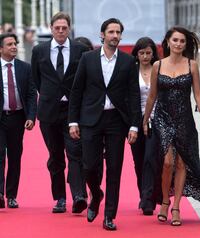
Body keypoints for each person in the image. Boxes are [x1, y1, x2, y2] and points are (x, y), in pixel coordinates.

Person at [143, 26, 200, 226]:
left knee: (181, 164)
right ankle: (164, 200)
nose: (179, 44)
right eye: (175, 40)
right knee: (168, 162)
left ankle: (176, 206)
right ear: (168, 42)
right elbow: (152, 95)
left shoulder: (192, 65)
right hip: (162, 118)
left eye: (182, 41)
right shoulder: (158, 66)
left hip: (184, 120)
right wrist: (145, 120)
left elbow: (197, 94)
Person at [68, 18, 141, 231]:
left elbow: (133, 95)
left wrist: (134, 125)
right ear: (102, 35)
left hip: (117, 121)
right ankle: (96, 194)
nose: (115, 35)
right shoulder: (87, 58)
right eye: (111, 32)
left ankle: (109, 215)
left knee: (114, 169)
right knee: (89, 166)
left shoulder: (128, 62)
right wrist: (73, 121)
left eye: (118, 32)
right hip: (90, 119)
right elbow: (77, 91)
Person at [31, 12, 88, 214]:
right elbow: (36, 79)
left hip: (73, 112)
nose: (61, 31)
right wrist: (48, 95)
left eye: (64, 28)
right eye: (57, 28)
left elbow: (85, 78)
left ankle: (79, 195)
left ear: (69, 28)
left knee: (75, 153)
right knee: (55, 157)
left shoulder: (81, 50)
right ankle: (60, 198)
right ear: (51, 28)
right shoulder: (39, 50)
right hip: (49, 112)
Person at [0, 33, 37, 209]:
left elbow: (31, 94)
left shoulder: (24, 68)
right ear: (1, 49)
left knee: (15, 158)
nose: (14, 46)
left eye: (15, 43)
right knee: (0, 156)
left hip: (17, 118)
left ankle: (12, 195)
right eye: (9, 44)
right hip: (0, 118)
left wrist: (31, 116)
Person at [130, 37, 161, 215]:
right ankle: (143, 193)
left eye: (148, 53)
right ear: (136, 54)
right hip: (136, 120)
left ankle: (148, 199)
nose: (145, 56)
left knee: (151, 157)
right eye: (141, 53)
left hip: (156, 119)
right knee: (138, 160)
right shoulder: (131, 71)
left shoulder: (159, 69)